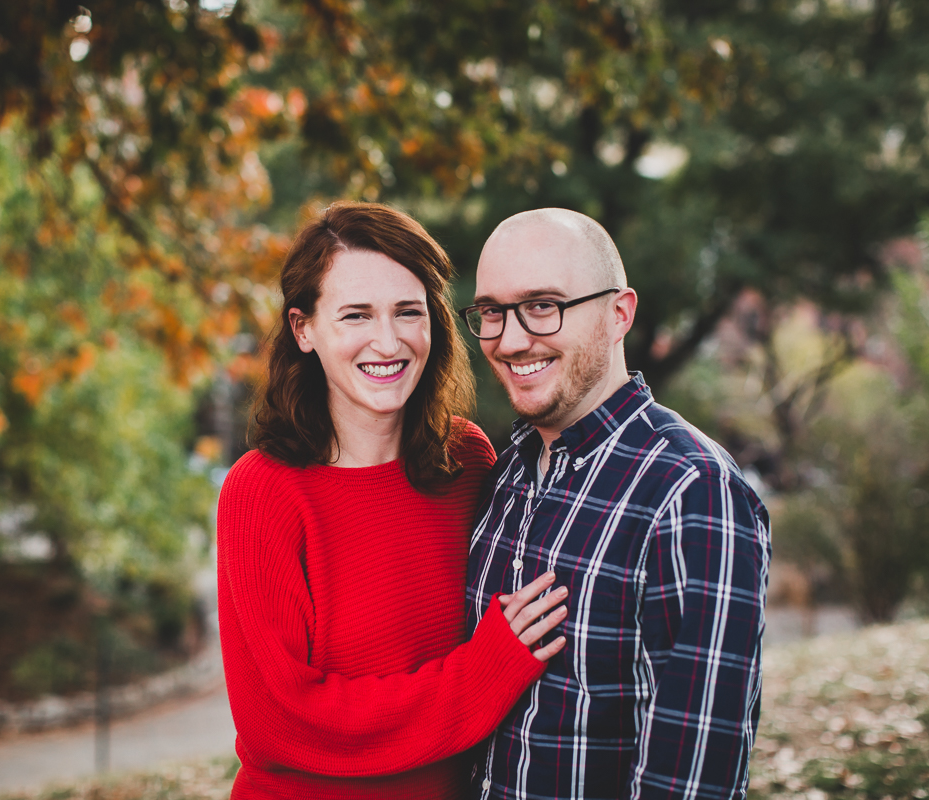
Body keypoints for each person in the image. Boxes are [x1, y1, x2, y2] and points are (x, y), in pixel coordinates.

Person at [216, 201, 571, 800]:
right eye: (356, 315)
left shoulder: (468, 461)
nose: (389, 340)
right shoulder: (263, 492)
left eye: (409, 311)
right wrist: (485, 674)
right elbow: (280, 722)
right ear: (304, 330)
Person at [461, 208, 771, 800]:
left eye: (543, 305)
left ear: (618, 313)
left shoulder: (691, 490)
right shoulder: (505, 475)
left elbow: (693, 775)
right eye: (493, 313)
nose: (511, 338)